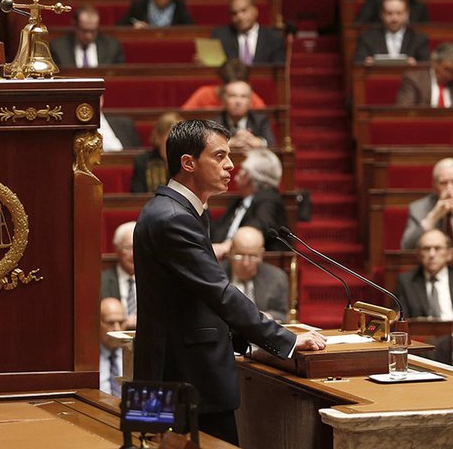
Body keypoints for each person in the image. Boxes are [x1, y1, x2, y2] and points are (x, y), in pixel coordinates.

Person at [132, 119, 326, 444]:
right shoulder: (173, 218)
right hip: (183, 380)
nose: (231, 166)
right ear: (188, 163)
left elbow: (193, 297)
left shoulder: (181, 211)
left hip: (177, 374)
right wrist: (285, 340)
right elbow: (218, 293)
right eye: (220, 156)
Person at [210, 148, 287, 255]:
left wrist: (226, 247)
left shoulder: (269, 198)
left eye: (242, 170)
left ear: (247, 177)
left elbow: (259, 225)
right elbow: (217, 232)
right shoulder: (239, 201)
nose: (237, 175)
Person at [224, 227, 289, 321]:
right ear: (230, 252)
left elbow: (282, 314)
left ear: (261, 255)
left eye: (252, 256)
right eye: (240, 255)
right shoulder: (215, 273)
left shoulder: (277, 277)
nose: (245, 263)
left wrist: (264, 317)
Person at [352, 0, 430, 65]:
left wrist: (416, 64)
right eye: (389, 13)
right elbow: (357, 63)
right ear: (381, 14)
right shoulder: (367, 38)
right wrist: (366, 63)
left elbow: (426, 65)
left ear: (407, 14)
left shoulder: (419, 39)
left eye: (399, 13)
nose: (394, 19)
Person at [210, 0, 286, 65]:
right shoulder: (220, 37)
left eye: (244, 11)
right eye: (234, 13)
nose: (239, 17)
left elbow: (279, 69)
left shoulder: (274, 37)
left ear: (255, 11)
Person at [395, 42, 453, 108]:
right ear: (435, 63)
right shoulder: (414, 81)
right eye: (447, 69)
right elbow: (405, 113)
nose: (450, 76)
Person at [49, 5, 124, 68]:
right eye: (84, 30)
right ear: (75, 26)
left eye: (93, 31)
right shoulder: (58, 48)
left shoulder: (112, 47)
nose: (89, 36)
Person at [181, 59, 267, 110]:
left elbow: (263, 119)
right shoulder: (204, 94)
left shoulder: (249, 97)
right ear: (221, 82)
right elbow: (182, 119)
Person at [131, 112, 184, 194]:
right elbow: (138, 196)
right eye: (171, 137)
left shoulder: (187, 163)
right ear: (159, 137)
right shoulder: (142, 161)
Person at [101, 221, 139, 328]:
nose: (133, 254)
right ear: (117, 249)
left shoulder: (154, 281)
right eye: (128, 247)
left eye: (137, 247)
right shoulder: (102, 281)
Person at [214, 81, 274, 148]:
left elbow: (271, 143)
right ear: (224, 100)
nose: (238, 101)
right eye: (233, 96)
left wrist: (258, 142)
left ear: (250, 102)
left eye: (243, 96)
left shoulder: (260, 120)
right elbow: (210, 146)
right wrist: (230, 142)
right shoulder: (215, 123)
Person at [98, 297, 127, 397]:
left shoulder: (134, 356)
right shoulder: (87, 360)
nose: (117, 329)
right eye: (110, 323)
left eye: (121, 322)